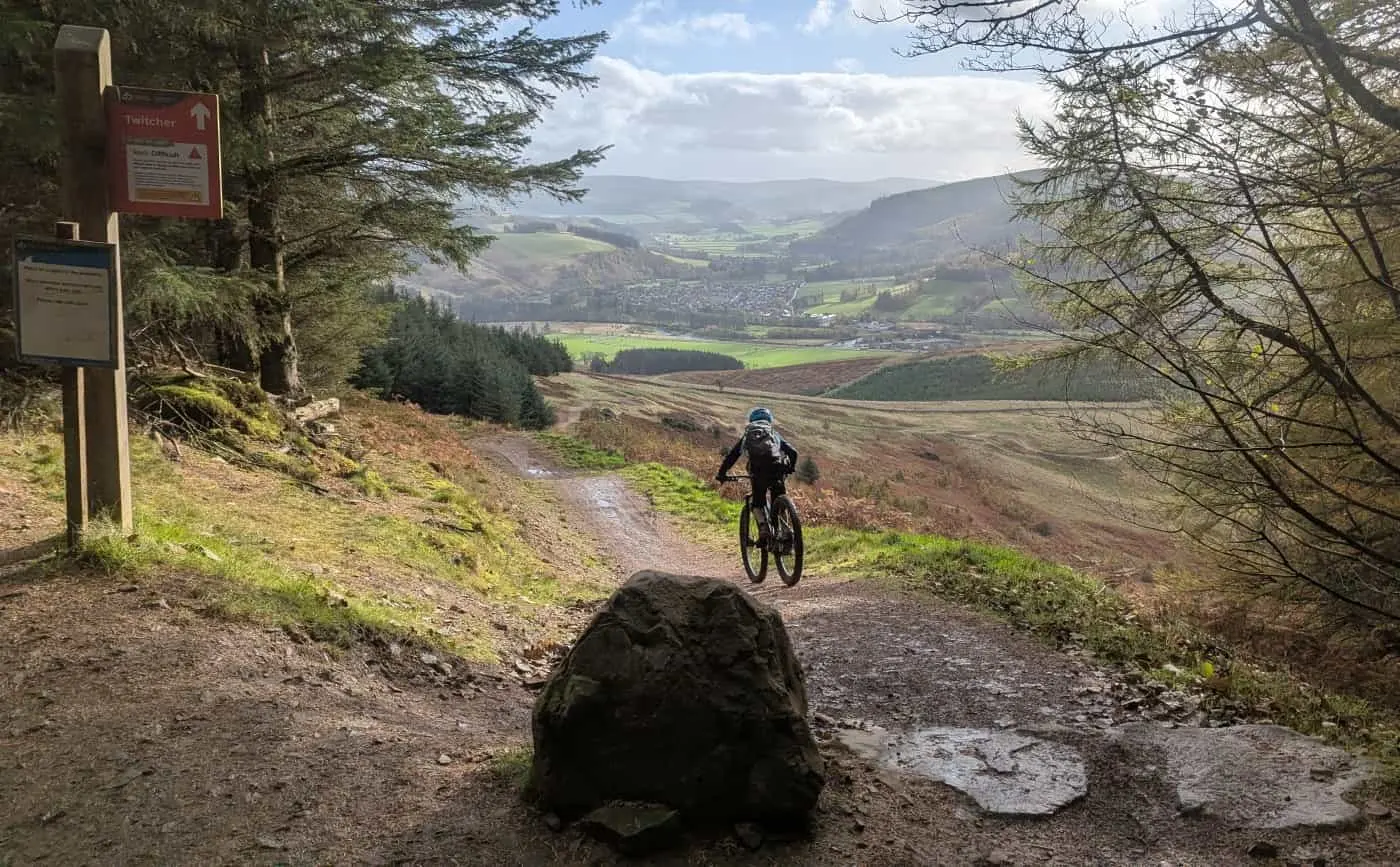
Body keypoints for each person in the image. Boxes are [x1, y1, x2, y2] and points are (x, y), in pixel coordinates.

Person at [716, 407, 797, 543]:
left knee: (757, 503)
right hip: (777, 470)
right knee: (779, 500)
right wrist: (790, 468)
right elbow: (793, 453)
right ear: (769, 420)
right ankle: (786, 530)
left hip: (758, 471)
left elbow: (732, 456)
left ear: (752, 421)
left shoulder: (748, 435)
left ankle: (763, 528)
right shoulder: (774, 434)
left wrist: (722, 474)